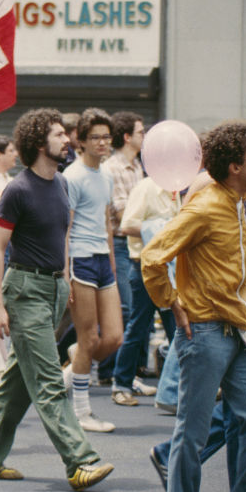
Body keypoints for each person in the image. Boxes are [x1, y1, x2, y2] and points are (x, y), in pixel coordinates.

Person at [141, 120, 246, 492]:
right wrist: (173, 304)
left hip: (238, 332)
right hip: (203, 334)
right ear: (234, 166)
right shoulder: (205, 206)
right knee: (192, 435)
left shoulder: (236, 200)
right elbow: (151, 256)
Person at [0, 108, 114, 491]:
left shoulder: (62, 185)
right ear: (38, 143)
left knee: (19, 379)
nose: (67, 140)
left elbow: (62, 234)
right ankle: (80, 461)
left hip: (53, 289)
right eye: (58, 135)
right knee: (49, 380)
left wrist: (65, 278)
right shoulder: (17, 189)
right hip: (24, 291)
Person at [63, 109, 124, 432]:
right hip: (81, 260)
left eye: (106, 136)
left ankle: (77, 361)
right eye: (96, 137)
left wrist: (112, 260)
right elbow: (66, 228)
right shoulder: (72, 176)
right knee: (89, 339)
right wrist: (65, 272)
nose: (103, 143)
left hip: (103, 259)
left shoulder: (108, 174)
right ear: (81, 142)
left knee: (113, 338)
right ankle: (82, 411)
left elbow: (105, 221)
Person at [112, 175, 180, 407]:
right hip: (143, 266)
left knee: (177, 327)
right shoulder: (146, 188)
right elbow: (127, 224)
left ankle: (175, 388)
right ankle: (121, 384)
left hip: (169, 266)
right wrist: (162, 227)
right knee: (138, 326)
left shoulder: (175, 189)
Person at [102, 111, 146, 337]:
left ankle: (135, 365)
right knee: (125, 308)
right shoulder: (113, 168)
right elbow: (122, 214)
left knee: (140, 309)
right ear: (127, 137)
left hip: (139, 243)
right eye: (141, 132)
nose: (144, 136)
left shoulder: (137, 165)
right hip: (121, 244)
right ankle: (114, 369)